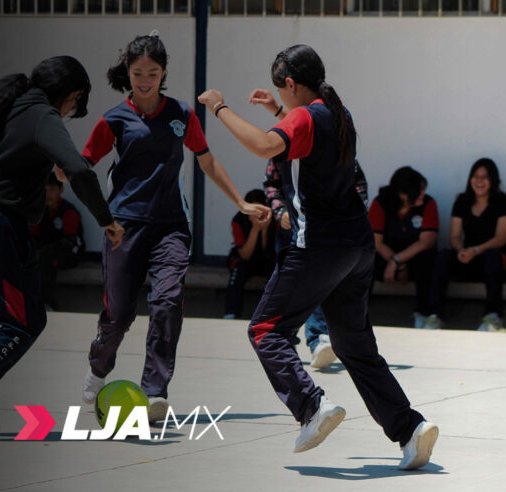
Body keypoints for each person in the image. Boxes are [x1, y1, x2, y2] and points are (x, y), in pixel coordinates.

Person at [198, 44, 438, 470]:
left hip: (321, 247)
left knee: (265, 329)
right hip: (358, 247)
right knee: (355, 347)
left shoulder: (306, 116)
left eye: (282, 91)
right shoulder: (337, 113)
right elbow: (305, 141)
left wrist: (219, 108)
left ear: (291, 84)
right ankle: (410, 430)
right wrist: (279, 112)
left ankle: (311, 407)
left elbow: (264, 147)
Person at [0, 56, 124, 441]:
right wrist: (106, 220)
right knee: (21, 325)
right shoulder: (42, 115)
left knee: (29, 318)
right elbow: (79, 170)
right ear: (71, 95)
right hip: (0, 227)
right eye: (74, 104)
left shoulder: (9, 107)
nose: (69, 112)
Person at [77, 33, 270, 422]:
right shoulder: (114, 119)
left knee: (166, 303)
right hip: (123, 227)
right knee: (117, 317)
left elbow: (207, 161)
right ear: (127, 74)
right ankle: (98, 368)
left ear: (164, 72)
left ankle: (154, 392)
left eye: (152, 72)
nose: (145, 80)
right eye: (137, 73)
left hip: (171, 227)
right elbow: (83, 165)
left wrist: (240, 202)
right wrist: (68, 181)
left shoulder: (182, 114)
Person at [263, 158, 368, 368]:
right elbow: (272, 186)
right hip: (292, 231)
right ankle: (284, 343)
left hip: (327, 232)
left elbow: (359, 188)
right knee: (287, 288)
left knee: (318, 284)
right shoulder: (281, 148)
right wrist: (280, 211)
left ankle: (318, 338)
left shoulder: (337, 148)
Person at [426, 158, 506, 331]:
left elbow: (501, 238)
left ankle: (493, 316)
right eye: (475, 176)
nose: (479, 181)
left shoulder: (501, 201)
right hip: (467, 255)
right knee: (444, 255)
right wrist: (462, 250)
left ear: (493, 180)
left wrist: (476, 250)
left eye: (485, 177)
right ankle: (433, 316)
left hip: (489, 257)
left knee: (494, 257)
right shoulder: (462, 200)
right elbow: (454, 236)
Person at [368, 166, 438, 328]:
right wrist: (396, 264)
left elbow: (427, 241)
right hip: (385, 258)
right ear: (402, 194)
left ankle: (423, 312)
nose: (423, 195)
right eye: (418, 191)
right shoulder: (380, 203)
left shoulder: (429, 203)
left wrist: (397, 262)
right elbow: (376, 242)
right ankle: (357, 315)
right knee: (365, 259)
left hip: (412, 259)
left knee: (428, 258)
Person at [31, 172, 85, 310]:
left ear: (61, 190)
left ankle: (48, 304)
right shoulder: (40, 210)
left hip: (71, 253)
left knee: (46, 259)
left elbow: (70, 240)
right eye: (45, 190)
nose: (48, 194)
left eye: (52, 189)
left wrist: (43, 251)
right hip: (46, 252)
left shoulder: (68, 212)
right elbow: (34, 235)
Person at [223, 189, 275, 320]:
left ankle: (272, 314)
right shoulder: (238, 220)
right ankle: (231, 312)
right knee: (238, 268)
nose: (257, 214)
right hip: (244, 258)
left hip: (265, 259)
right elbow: (245, 254)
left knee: (277, 270)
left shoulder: (273, 220)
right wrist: (255, 228)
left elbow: (267, 251)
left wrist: (264, 230)